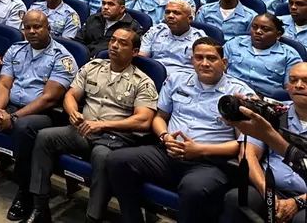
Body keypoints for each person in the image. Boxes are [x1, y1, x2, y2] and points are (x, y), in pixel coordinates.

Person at [108, 37, 255, 223]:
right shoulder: (177, 79)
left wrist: (200, 149)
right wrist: (165, 136)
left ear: (224, 63)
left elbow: (243, 144)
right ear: (192, 60)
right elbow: (160, 118)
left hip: (209, 163)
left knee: (193, 189)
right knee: (117, 160)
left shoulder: (240, 95)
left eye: (211, 58)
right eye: (198, 58)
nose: (204, 63)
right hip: (167, 152)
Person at [25, 26, 158, 223]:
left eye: (122, 43)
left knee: (102, 156)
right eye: (113, 40)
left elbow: (144, 120)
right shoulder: (92, 67)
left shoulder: (142, 81)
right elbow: (71, 95)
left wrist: (103, 126)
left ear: (135, 51)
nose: (114, 46)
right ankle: (40, 207)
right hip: (82, 131)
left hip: (114, 139)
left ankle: (93, 218)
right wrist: (73, 112)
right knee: (45, 137)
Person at [0, 11, 77, 216]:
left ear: (49, 29)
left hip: (42, 115)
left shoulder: (62, 58)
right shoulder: (16, 50)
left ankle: (25, 191)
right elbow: (4, 83)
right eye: (27, 27)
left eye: (37, 27)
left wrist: (14, 117)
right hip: (9, 107)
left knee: (22, 127)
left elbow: (49, 99)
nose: (32, 31)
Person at [221, 62, 307, 223]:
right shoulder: (273, 113)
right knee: (237, 199)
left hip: (304, 197)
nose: (299, 86)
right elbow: (248, 154)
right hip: (269, 188)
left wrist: (299, 201)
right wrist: (267, 193)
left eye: (306, 81)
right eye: (293, 80)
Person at [223, 13, 303, 96]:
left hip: (265, 101)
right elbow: (219, 71)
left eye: (265, 29)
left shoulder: (289, 55)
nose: (258, 32)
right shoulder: (234, 44)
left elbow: (291, 89)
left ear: (278, 35)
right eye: (254, 27)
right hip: (229, 93)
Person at [139, 0, 206, 76]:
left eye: (177, 13)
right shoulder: (155, 31)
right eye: (167, 12)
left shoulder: (200, 39)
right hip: (153, 76)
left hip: (182, 82)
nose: (170, 16)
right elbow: (141, 59)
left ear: (189, 19)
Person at [75, 0, 142, 59]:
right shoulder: (93, 18)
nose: (105, 7)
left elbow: (127, 55)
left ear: (122, 9)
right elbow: (78, 41)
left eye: (111, 4)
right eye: (103, 3)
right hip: (83, 59)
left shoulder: (133, 28)